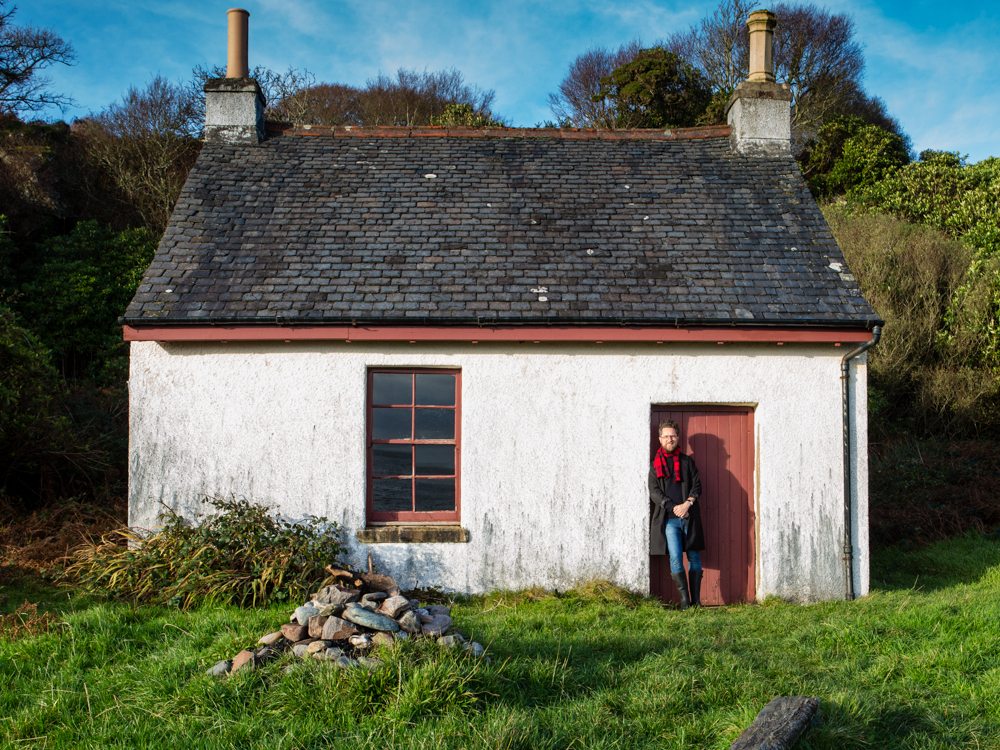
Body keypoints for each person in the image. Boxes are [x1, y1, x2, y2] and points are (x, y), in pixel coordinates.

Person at [649, 420, 705, 609]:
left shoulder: (687, 462)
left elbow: (697, 486)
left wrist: (687, 504)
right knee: (675, 558)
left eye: (672, 436)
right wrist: (674, 507)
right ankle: (684, 603)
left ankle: (696, 602)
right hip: (670, 521)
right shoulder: (654, 465)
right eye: (666, 436)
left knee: (694, 557)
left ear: (678, 437)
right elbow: (654, 491)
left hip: (689, 518)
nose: (669, 439)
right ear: (660, 439)